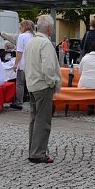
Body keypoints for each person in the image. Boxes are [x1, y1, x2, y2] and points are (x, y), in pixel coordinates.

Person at [24, 14, 61, 164]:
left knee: (34, 119)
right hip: (43, 85)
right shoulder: (45, 44)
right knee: (43, 121)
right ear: (50, 29)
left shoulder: (32, 42)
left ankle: (33, 149)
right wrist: (52, 82)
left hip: (32, 84)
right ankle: (38, 153)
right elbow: (48, 67)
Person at [8, 20, 34, 110]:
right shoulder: (33, 36)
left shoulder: (21, 36)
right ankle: (33, 101)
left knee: (20, 84)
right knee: (31, 84)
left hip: (23, 64)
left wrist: (15, 64)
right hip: (32, 64)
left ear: (24, 27)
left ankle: (19, 102)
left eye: (20, 26)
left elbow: (19, 52)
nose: (19, 28)